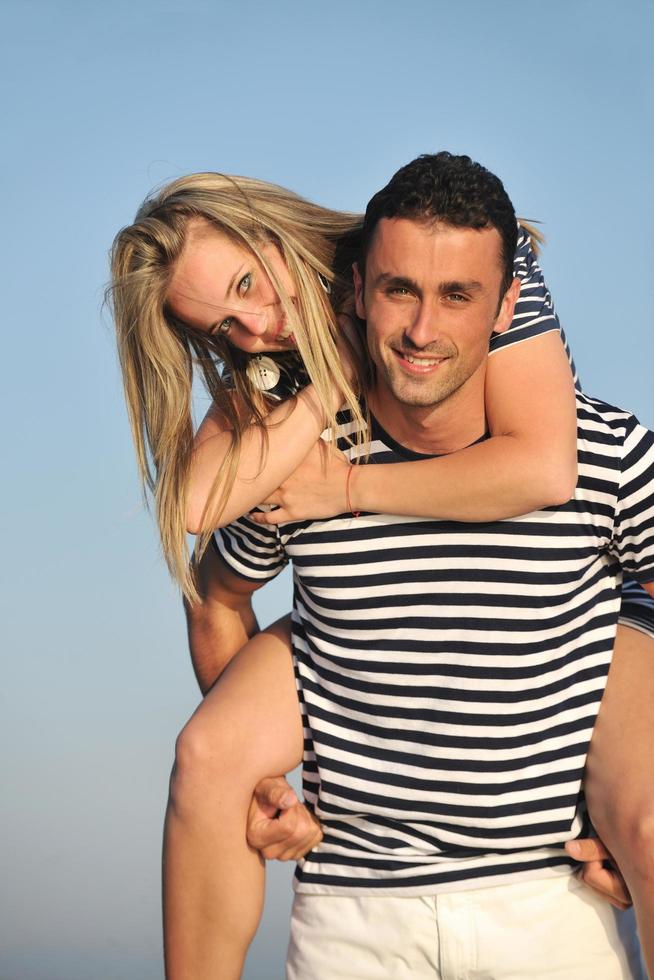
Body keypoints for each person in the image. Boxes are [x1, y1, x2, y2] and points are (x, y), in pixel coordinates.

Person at [109, 156, 654, 978]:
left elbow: (545, 467)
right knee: (209, 759)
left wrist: (352, 488)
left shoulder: (460, 270)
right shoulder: (292, 432)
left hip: (547, 898)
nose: (256, 329)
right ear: (362, 295)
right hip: (356, 911)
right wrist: (267, 788)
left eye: (252, 287)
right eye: (222, 327)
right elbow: (201, 540)